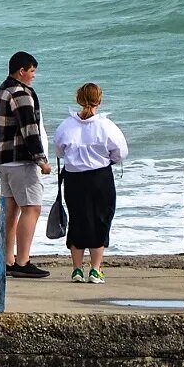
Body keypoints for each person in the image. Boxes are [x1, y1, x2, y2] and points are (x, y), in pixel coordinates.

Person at [53, 82, 128, 284]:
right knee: (101, 219)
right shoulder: (106, 125)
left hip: (74, 176)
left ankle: (77, 269)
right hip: (100, 176)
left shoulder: (66, 125)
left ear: (78, 98)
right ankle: (95, 269)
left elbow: (59, 150)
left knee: (77, 219)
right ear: (99, 100)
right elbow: (120, 153)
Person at [0, 50, 53, 278]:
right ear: (22, 71)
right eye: (32, 71)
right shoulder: (20, 93)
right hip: (21, 160)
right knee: (32, 208)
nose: (33, 76)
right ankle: (23, 260)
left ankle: (7, 260)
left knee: (11, 210)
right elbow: (30, 130)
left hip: (3, 159)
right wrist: (42, 161)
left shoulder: (1, 91)